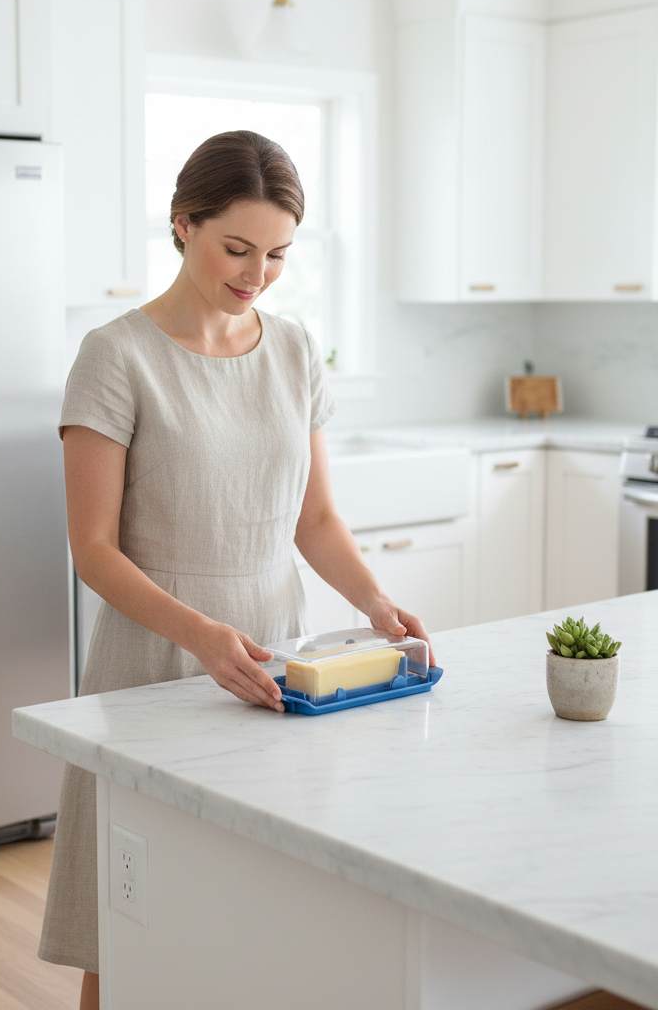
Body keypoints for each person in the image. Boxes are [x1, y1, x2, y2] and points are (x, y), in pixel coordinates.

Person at [38, 130, 432, 1010]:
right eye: (238, 248)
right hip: (156, 662)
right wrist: (202, 637)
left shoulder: (294, 350)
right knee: (128, 931)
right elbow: (93, 548)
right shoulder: (116, 355)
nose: (258, 274)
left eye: (279, 254)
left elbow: (314, 519)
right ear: (184, 224)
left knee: (257, 913)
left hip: (275, 662)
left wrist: (376, 603)